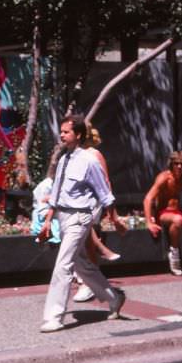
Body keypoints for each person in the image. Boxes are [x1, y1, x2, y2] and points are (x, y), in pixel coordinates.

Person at [37, 114, 126, 333]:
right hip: (64, 217)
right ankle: (114, 297)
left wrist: (114, 219)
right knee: (80, 264)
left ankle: (54, 316)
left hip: (80, 217)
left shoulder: (89, 161)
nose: (62, 135)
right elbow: (56, 195)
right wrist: (48, 221)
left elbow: (105, 194)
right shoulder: (63, 160)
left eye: (66, 131)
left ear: (78, 135)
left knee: (63, 264)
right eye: (61, 131)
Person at [73, 125, 128, 302]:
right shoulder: (73, 153)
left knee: (86, 241)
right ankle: (90, 278)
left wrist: (112, 214)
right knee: (83, 241)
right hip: (75, 202)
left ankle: (89, 283)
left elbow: (105, 183)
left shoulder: (93, 154)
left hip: (91, 202)